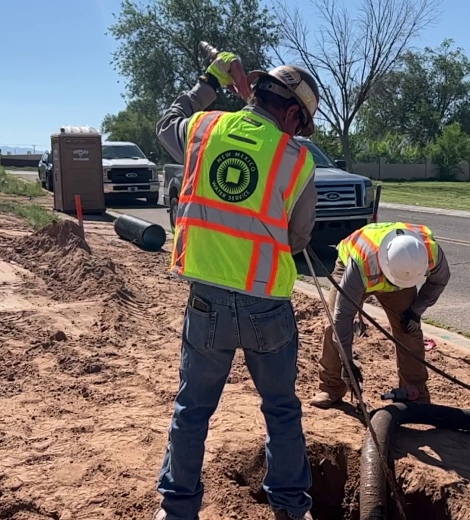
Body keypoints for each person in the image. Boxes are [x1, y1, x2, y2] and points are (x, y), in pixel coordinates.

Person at [154, 50, 321, 520]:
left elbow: (168, 123)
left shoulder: (204, 130)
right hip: (267, 305)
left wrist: (209, 81)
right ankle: (291, 509)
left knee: (192, 409)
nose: (298, 133)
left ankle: (177, 509)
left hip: (206, 302)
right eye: (300, 125)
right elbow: (299, 236)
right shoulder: (295, 159)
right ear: (292, 114)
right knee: (281, 409)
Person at [310, 222, 451, 409]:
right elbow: (342, 317)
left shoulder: (429, 252)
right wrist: (347, 361)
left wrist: (416, 311)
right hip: (353, 270)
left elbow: (439, 282)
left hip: (402, 278)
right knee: (333, 327)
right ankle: (332, 386)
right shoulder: (362, 263)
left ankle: (415, 392)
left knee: (409, 329)